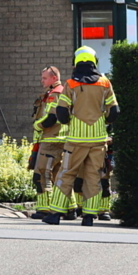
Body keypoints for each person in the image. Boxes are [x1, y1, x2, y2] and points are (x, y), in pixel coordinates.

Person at [42, 46, 119, 227]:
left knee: (67, 173)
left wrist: (71, 122)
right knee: (94, 176)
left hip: (75, 140)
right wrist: (103, 122)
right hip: (98, 139)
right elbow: (114, 111)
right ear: (94, 61)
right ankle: (89, 216)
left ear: (76, 62)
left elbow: (61, 111)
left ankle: (55, 214)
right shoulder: (105, 83)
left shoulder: (71, 84)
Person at [29, 66, 68, 219]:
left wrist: (36, 125)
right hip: (61, 141)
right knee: (59, 176)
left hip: (51, 141)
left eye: (44, 78)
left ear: (54, 78)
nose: (42, 81)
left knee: (41, 175)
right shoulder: (62, 92)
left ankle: (44, 209)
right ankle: (69, 209)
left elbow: (52, 118)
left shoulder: (55, 94)